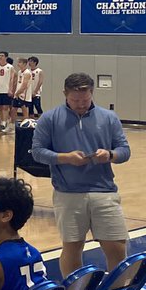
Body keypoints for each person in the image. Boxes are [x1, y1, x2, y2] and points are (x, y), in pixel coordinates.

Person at [31, 72, 131, 277]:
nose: (81, 104)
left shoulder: (109, 118)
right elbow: (37, 152)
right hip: (67, 194)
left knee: (117, 247)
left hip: (104, 192)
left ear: (92, 94)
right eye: (75, 100)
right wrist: (65, 157)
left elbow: (124, 151)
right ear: (65, 94)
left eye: (85, 100)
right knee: (72, 247)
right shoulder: (49, 119)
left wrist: (110, 155)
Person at [0, 52, 14, 133]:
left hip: (6, 89)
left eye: (2, 56)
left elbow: (11, 79)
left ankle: (5, 122)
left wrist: (10, 89)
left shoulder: (10, 67)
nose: (0, 57)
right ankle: (1, 122)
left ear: (6, 57)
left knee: (5, 107)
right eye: (0, 56)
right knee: (0, 107)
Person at [12, 57, 31, 123]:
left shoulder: (27, 73)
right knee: (13, 109)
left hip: (24, 94)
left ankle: (25, 125)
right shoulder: (19, 72)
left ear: (25, 64)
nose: (18, 64)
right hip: (17, 93)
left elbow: (24, 85)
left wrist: (18, 93)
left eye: (20, 62)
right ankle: (12, 125)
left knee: (24, 110)